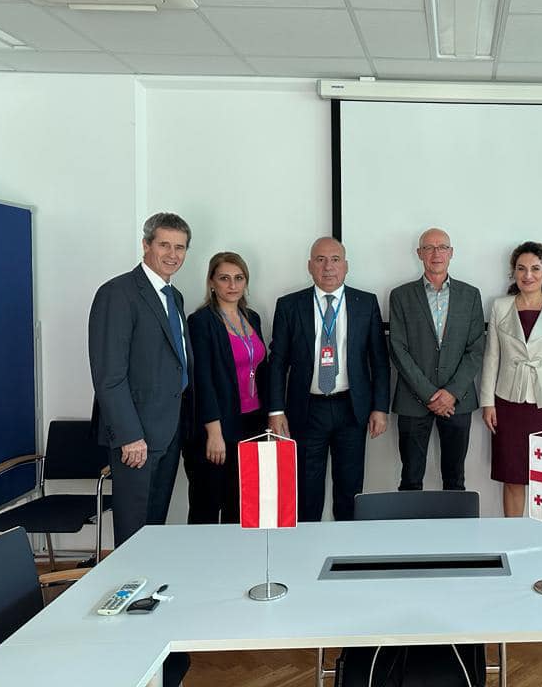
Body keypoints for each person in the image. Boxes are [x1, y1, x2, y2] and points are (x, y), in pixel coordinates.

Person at [266, 237, 390, 521]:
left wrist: (380, 407)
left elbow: (379, 361)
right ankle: (306, 545)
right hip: (307, 409)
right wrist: (276, 410)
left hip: (352, 409)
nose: (328, 267)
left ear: (346, 265)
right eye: (320, 260)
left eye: (335, 260)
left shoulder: (365, 303)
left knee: (350, 489)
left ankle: (346, 545)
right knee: (306, 491)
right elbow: (278, 362)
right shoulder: (289, 305)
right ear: (309, 266)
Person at [88, 212, 193, 547]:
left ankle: (151, 581)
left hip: (168, 429)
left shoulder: (173, 296)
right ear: (146, 245)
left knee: (155, 525)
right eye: (164, 245)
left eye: (180, 247)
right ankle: (130, 582)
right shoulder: (118, 293)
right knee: (133, 530)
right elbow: (109, 376)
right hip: (137, 437)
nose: (173, 254)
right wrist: (130, 436)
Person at [480, 241, 542, 517]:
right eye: (521, 268)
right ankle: (513, 534)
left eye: (535, 268)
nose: (528, 275)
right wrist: (488, 402)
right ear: (514, 272)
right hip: (508, 403)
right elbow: (492, 357)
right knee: (512, 476)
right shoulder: (500, 306)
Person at [388, 228, 485, 491]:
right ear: (419, 253)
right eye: (428, 247)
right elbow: (398, 348)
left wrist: (451, 393)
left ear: (451, 253)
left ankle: (454, 522)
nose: (436, 253)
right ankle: (412, 521)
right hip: (413, 400)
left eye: (442, 247)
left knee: (455, 480)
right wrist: (430, 394)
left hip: (458, 401)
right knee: (410, 479)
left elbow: (476, 349)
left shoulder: (470, 295)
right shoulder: (401, 296)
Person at [185, 252, 268, 524]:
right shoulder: (201, 321)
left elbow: (260, 368)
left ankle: (237, 553)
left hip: (251, 425)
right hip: (218, 426)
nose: (232, 285)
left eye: (239, 278)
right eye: (224, 278)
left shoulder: (252, 317)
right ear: (211, 282)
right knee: (207, 505)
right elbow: (202, 379)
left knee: (241, 506)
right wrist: (214, 433)